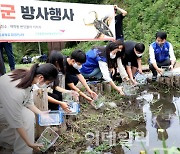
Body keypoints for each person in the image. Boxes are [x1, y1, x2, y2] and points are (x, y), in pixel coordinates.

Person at [0, 63, 59, 153]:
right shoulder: (16, 92)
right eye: (48, 83)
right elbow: (16, 122)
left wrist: (41, 113)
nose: (48, 86)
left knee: (28, 116)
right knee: (26, 118)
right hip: (4, 106)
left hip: (5, 104)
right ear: (41, 78)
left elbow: (28, 101)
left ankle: (7, 141)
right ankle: (23, 150)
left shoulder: (28, 76)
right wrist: (29, 143)